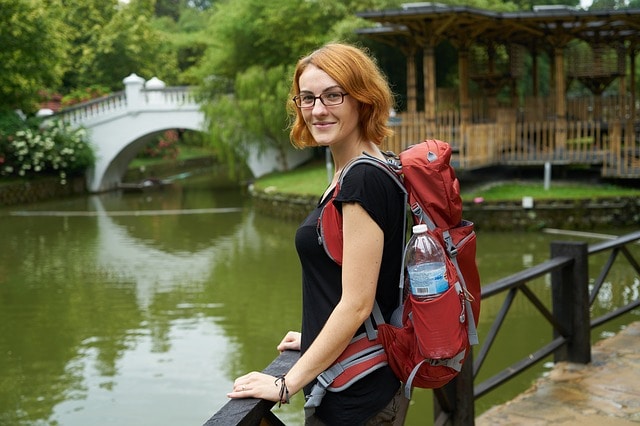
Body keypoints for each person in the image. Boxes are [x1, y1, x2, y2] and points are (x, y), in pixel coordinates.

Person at [227, 42, 409, 425]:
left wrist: (284, 385)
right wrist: (313, 334)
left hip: (357, 394)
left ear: (362, 99)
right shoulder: (362, 170)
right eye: (307, 98)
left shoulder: (362, 179)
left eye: (333, 95)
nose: (318, 109)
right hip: (358, 377)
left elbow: (358, 304)